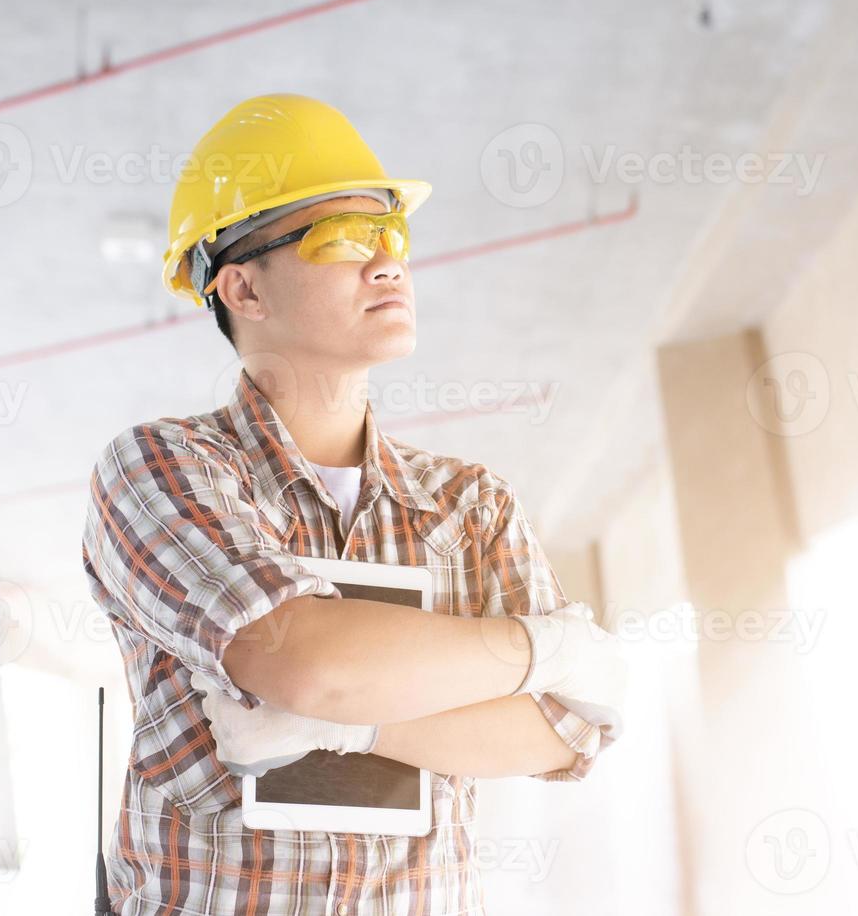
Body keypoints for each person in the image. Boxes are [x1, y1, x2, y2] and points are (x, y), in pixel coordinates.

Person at [82, 94, 627, 915]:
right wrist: (551, 646)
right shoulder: (162, 468)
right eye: (342, 238)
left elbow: (560, 734)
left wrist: (349, 728)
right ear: (244, 290)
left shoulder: (468, 506)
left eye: (391, 235)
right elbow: (300, 656)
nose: (387, 262)